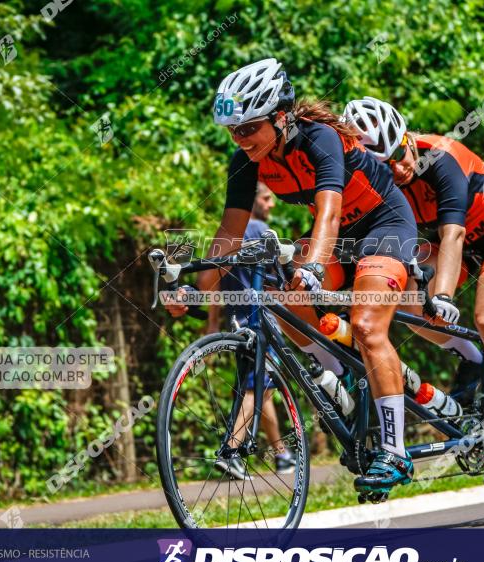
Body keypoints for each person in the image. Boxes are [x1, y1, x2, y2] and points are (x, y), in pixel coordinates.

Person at [166, 58, 419, 496]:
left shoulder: (318, 138)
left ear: (280, 118)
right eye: (233, 130)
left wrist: (315, 267)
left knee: (365, 324)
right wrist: (195, 289)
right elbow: (228, 236)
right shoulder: (245, 161)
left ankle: (395, 451)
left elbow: (330, 211)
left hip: (384, 225)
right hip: (336, 235)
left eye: (247, 128)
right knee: (284, 307)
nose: (239, 139)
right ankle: (338, 377)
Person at [343, 97, 484, 482]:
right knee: (411, 306)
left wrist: (445, 296)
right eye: (385, 164)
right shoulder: (381, 179)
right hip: (453, 246)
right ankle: (474, 357)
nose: (399, 168)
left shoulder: (441, 158)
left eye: (399, 152)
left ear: (407, 137)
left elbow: (454, 233)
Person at [211, 183, 297, 479]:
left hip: (235, 321)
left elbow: (213, 281)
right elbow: (283, 280)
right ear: (252, 201)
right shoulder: (261, 231)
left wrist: (212, 325)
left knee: (261, 388)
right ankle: (232, 451)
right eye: (266, 198)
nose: (271, 204)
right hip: (261, 319)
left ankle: (282, 455)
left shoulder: (223, 236)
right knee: (257, 390)